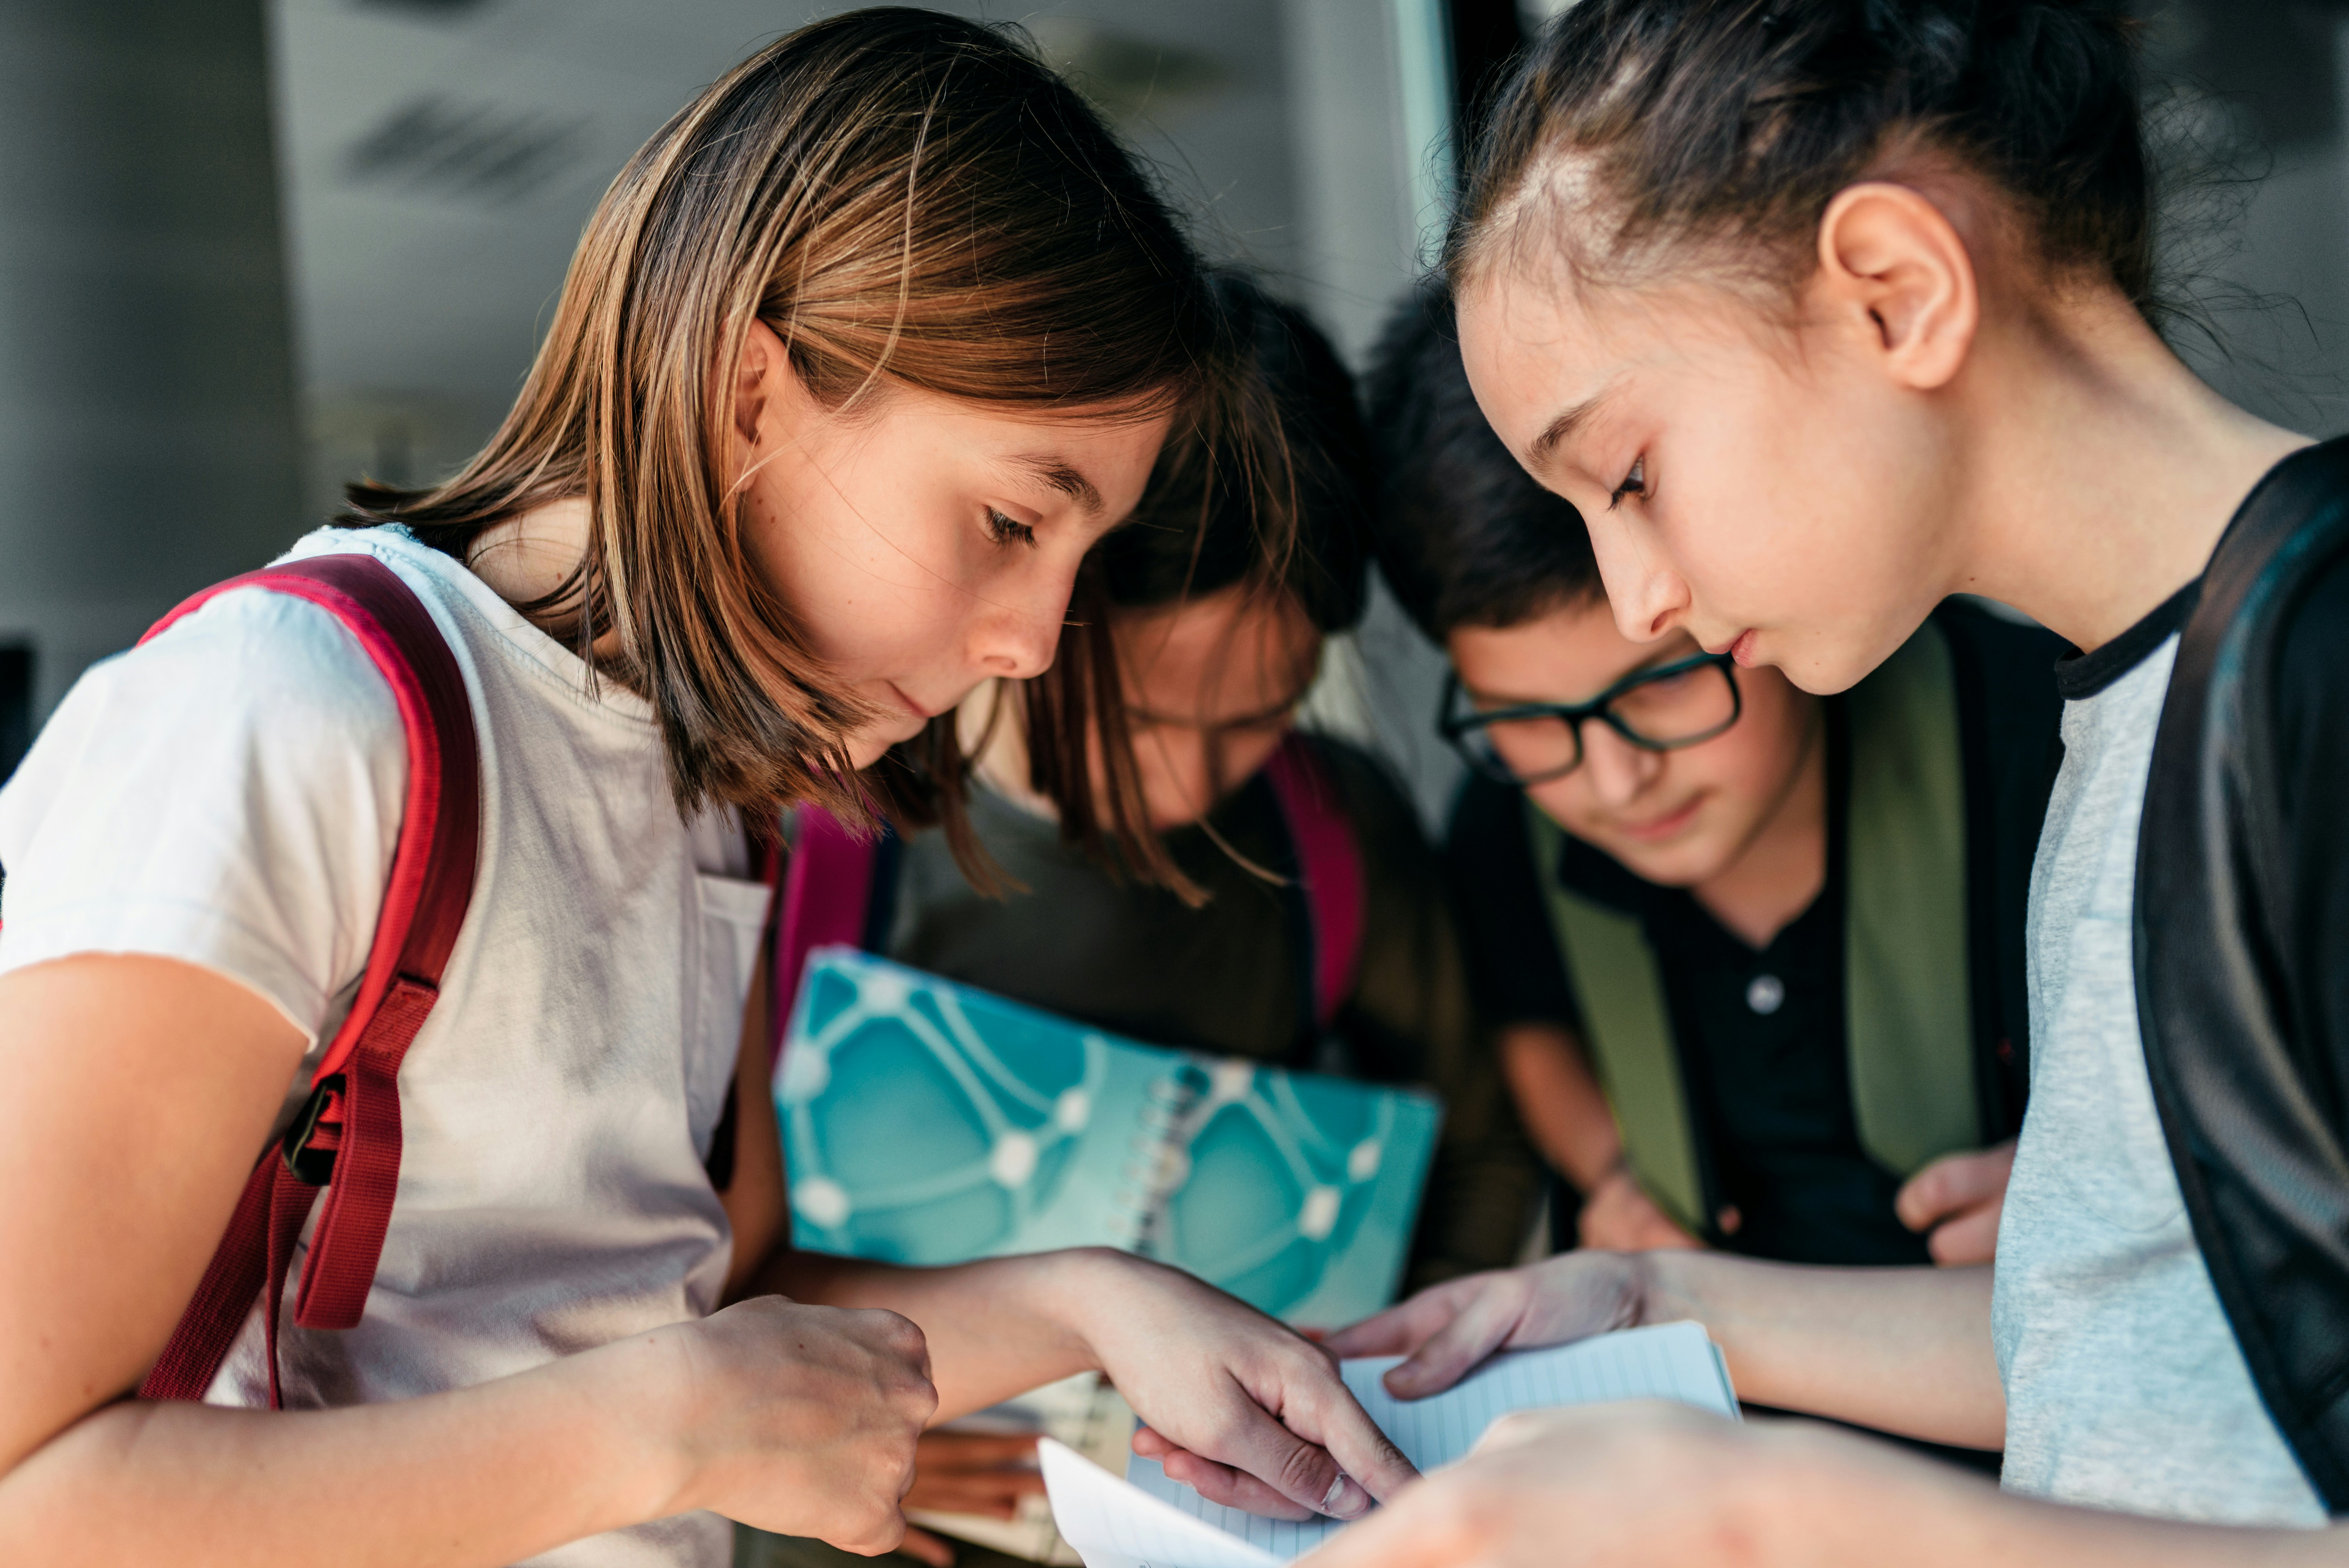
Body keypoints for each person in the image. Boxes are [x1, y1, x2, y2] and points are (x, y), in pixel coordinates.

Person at [0, 14, 1416, 1567]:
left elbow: (694, 1324)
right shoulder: (290, 715)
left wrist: (1091, 1299)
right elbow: (33, 1490)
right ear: (753, 393)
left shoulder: (709, 785)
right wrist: (660, 1425)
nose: (1027, 643)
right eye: (1015, 519)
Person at [1311, 0, 2349, 1560]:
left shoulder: (2315, 674)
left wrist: (1770, 1508)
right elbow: (2141, 1367)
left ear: (1894, 290)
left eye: (1630, 476)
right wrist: (1661, 1303)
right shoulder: (2130, 723)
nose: (1639, 596)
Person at [745, 275, 1538, 1568]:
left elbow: (1480, 1150)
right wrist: (842, 1422)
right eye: (1155, 722)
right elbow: (686, 1265)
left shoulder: (1328, 838)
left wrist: (1371, 1396)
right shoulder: (804, 838)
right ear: (1033, 603)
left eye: (1261, 717)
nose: (1198, 781)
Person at [1365, 288, 2059, 1276]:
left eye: (1661, 685)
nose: (1613, 780)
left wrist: (2099, 1181)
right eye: (1524, 720)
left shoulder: (2044, 747)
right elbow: (1529, 1015)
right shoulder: (1505, 828)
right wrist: (1606, 1171)